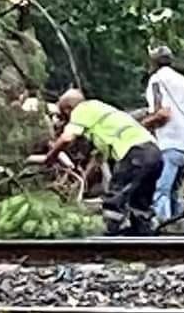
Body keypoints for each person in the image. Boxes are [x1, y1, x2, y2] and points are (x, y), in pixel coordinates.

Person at [34, 88, 163, 235]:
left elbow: (67, 138)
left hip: (136, 153)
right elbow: (97, 159)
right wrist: (82, 181)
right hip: (155, 153)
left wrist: (50, 158)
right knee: (140, 201)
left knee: (115, 197)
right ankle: (143, 237)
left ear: (69, 109)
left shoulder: (82, 109)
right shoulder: (102, 111)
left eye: (63, 115)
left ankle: (106, 234)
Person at [144, 45, 184, 225]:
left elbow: (162, 113)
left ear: (153, 62)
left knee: (161, 190)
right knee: (175, 192)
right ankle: (179, 229)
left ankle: (164, 231)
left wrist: (142, 125)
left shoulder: (157, 80)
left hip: (171, 143)